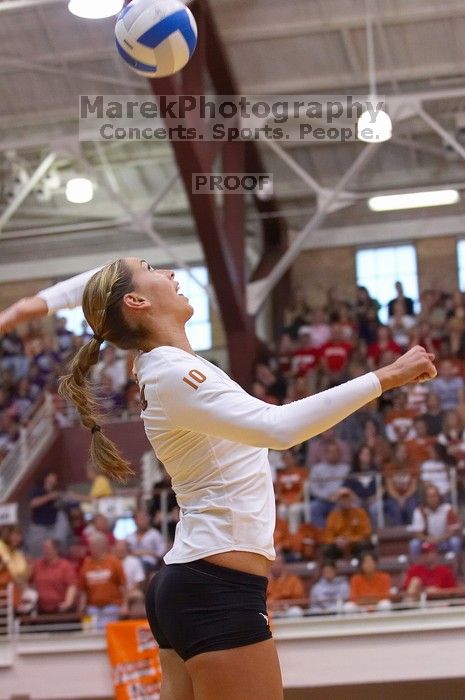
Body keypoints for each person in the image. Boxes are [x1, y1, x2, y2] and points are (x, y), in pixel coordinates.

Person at [0, 259, 436, 699]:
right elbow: (278, 428)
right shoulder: (172, 373)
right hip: (215, 586)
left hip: (196, 580)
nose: (170, 274)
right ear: (137, 300)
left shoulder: (164, 366)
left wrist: (35, 306)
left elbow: (102, 286)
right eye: (152, 269)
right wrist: (385, 377)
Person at [79, 533, 127, 631]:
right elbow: (83, 590)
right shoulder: (86, 564)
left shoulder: (114, 562)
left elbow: (122, 586)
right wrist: (81, 606)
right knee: (89, 631)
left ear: (101, 546)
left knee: (105, 630)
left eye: (92, 545)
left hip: (112, 605)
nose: (90, 548)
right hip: (92, 607)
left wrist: (125, 605)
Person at [408, 485, 461, 558]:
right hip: (427, 541)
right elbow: (417, 533)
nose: (432, 499)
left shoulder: (447, 509)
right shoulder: (419, 511)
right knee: (414, 544)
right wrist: (428, 539)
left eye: (434, 496)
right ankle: (415, 568)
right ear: (425, 498)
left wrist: (439, 539)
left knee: (455, 542)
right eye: (429, 496)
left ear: (439, 497)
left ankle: (456, 567)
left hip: (444, 541)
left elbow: (453, 531)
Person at [308, 441, 351, 528]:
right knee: (313, 508)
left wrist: (337, 495)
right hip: (323, 500)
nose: (333, 454)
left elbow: (348, 485)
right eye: (331, 452)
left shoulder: (345, 468)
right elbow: (313, 488)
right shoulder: (317, 469)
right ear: (326, 453)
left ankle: (341, 534)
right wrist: (327, 496)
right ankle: (324, 534)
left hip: (340, 499)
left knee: (348, 506)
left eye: (335, 451)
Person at [323, 487, 372, 561]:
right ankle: (330, 570)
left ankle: (362, 568)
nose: (345, 501)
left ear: (351, 499)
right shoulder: (333, 516)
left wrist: (350, 540)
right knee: (327, 549)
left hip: (355, 544)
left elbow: (366, 533)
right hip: (339, 546)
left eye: (347, 498)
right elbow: (328, 536)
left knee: (363, 545)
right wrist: (336, 540)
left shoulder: (360, 513)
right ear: (338, 501)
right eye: (342, 499)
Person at [31, 538, 77, 614]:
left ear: (56, 549)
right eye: (44, 548)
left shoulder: (65, 566)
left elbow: (72, 586)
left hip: (60, 608)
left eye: (48, 548)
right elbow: (29, 582)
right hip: (41, 609)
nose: (45, 550)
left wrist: (68, 602)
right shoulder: (37, 565)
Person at [126, 509, 166, 575]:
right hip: (132, 562)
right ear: (135, 521)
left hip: (149, 563)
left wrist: (145, 552)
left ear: (148, 519)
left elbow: (161, 553)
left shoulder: (155, 534)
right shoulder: (130, 536)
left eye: (144, 518)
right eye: (139, 519)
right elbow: (126, 552)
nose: (142, 521)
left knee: (139, 566)